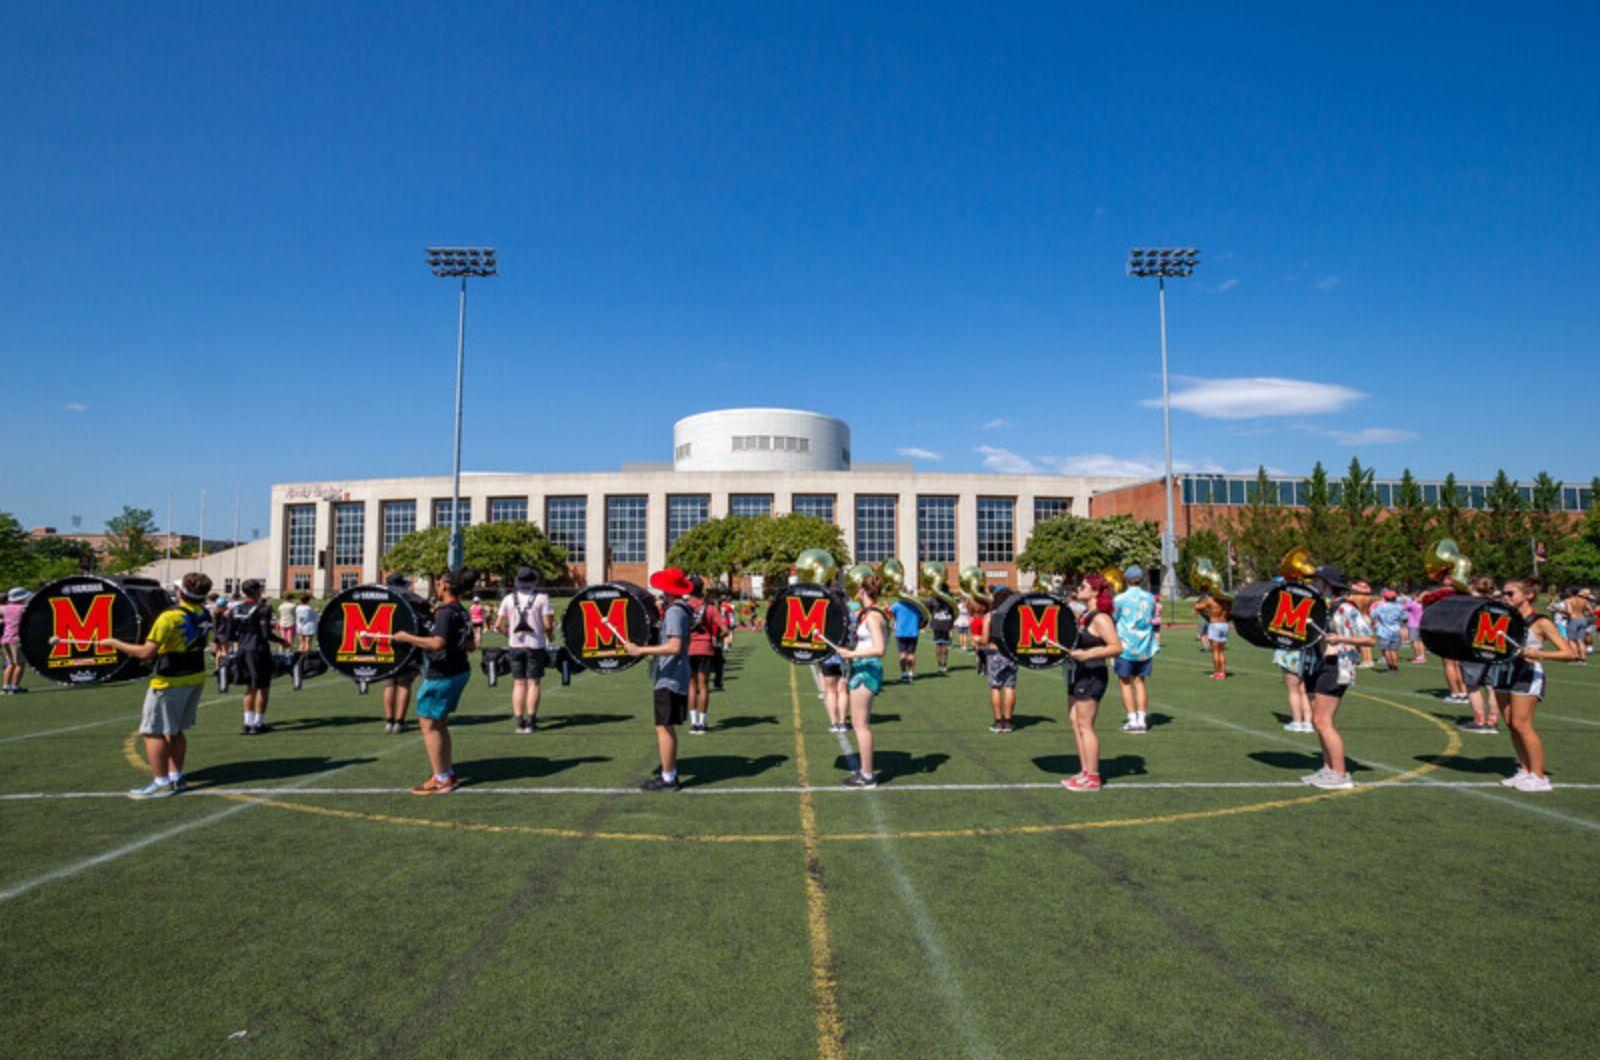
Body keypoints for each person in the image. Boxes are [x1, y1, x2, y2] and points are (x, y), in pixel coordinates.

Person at [100, 573, 214, 799]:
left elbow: (145, 652)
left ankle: (161, 781)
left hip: (170, 680)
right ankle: (175, 777)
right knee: (175, 730)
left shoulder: (169, 617)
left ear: (181, 593)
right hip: (194, 676)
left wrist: (115, 643)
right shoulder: (204, 613)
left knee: (152, 731)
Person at [390, 568, 477, 795]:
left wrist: (406, 637)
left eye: (438, 582)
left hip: (443, 673)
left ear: (446, 586)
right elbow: (471, 645)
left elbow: (437, 643)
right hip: (459, 670)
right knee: (438, 723)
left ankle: (441, 779)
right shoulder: (461, 610)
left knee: (429, 724)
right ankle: (446, 772)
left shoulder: (446, 612)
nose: (436, 586)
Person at [1495, 578, 1577, 792]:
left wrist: (1539, 653)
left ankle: (1539, 777)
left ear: (1528, 595)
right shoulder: (1505, 618)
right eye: (1504, 593)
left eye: (1510, 593)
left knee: (1522, 724)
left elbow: (1569, 653)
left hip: (1527, 673)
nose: (1505, 597)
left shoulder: (1540, 622)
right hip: (1503, 672)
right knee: (1511, 724)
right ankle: (1524, 770)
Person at [619, 567, 696, 791]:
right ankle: (668, 773)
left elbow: (674, 646)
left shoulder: (674, 612)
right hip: (675, 675)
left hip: (671, 676)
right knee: (665, 725)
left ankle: (668, 777)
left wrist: (640, 650)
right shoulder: (679, 609)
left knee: (663, 727)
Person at [1299, 566, 1375, 791]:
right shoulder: (1327, 606)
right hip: (1319, 664)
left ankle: (1341, 774)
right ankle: (1328, 769)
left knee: (1323, 722)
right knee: (1317, 722)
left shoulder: (1345, 608)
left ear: (1328, 583)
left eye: (1318, 581)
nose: (1314, 585)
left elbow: (1370, 639)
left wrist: (1340, 637)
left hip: (1335, 667)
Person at [1061, 574, 1123, 792]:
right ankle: (1085, 771)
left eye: (1084, 586)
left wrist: (1086, 655)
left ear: (1096, 591)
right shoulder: (1086, 614)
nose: (1080, 588)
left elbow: (1116, 647)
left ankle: (1093, 777)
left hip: (1092, 673)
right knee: (1075, 722)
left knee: (1085, 725)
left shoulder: (1101, 619)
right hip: (1078, 672)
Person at [832, 573, 888, 788]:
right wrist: (848, 651)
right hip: (862, 667)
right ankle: (865, 772)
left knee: (860, 724)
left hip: (867, 670)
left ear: (862, 591)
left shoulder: (874, 616)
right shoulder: (869, 614)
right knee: (857, 723)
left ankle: (867, 775)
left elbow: (880, 649)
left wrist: (852, 655)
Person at [494, 566, 553, 733]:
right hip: (535, 645)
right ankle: (531, 722)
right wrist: (550, 636)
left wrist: (509, 635)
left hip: (515, 645)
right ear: (534, 581)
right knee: (533, 683)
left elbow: (498, 625)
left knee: (518, 683)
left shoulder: (508, 598)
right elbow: (548, 624)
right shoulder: (542, 598)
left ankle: (519, 722)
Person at [231, 579, 288, 734]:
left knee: (249, 687)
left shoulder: (235, 609)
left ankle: (246, 723)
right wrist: (282, 641)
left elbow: (230, 634)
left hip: (242, 650)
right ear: (257, 591)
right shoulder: (263, 609)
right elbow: (265, 634)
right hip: (258, 650)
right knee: (263, 687)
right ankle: (258, 723)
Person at [1112, 565, 1158, 734]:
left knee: (1125, 683)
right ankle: (1142, 718)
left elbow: (1114, 618)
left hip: (1125, 646)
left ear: (1126, 579)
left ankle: (1132, 720)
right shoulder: (1150, 598)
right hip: (1145, 646)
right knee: (1140, 683)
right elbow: (1152, 616)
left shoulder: (1119, 599)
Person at [382, 573, 429, 734]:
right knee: (404, 683)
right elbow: (424, 617)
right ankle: (400, 721)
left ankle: (389, 721)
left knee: (389, 683)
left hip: (384, 644)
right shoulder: (410, 597)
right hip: (407, 644)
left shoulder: (380, 596)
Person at [1455, 577, 1503, 734]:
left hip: (1474, 648)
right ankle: (1493, 722)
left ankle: (1479, 721)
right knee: (1491, 687)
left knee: (1473, 686)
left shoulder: (1469, 606)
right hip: (1495, 648)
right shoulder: (1499, 605)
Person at [685, 576, 724, 734]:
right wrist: (715, 639)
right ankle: (703, 722)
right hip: (706, 648)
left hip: (688, 649)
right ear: (702, 588)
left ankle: (693, 722)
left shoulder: (684, 606)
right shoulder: (709, 607)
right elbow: (725, 629)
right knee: (704, 686)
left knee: (691, 686)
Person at [974, 588, 1017, 733]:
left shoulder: (990, 615)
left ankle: (999, 722)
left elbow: (985, 639)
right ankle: (1009, 722)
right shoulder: (1016, 615)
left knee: (995, 687)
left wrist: (977, 640)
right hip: (1011, 653)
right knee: (1010, 687)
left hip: (994, 653)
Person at [1274, 645, 1312, 732]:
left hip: (1291, 654)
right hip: (1308, 655)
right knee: (1304, 691)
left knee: (1293, 690)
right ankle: (1307, 723)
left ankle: (1297, 722)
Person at [1194, 591, 1231, 679]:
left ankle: (1217, 673)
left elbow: (1198, 607)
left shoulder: (1211, 600)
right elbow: (1230, 612)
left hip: (1215, 625)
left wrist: (1198, 602)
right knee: (1221, 651)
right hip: (1224, 625)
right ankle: (1223, 673)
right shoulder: (1227, 601)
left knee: (1215, 651)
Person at [1370, 589, 1406, 672]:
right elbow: (1403, 618)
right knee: (1393, 650)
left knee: (1386, 650)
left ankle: (1390, 667)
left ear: (1385, 598)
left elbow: (1372, 614)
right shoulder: (1399, 607)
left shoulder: (1382, 606)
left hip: (1384, 631)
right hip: (1396, 630)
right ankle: (1395, 667)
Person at [890, 596, 923, 682]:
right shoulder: (916, 606)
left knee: (902, 654)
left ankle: (904, 674)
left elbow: (889, 614)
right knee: (911, 654)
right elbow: (922, 617)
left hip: (900, 633)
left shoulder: (897, 605)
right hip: (913, 632)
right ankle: (910, 673)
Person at [2, 587, 28, 694]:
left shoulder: (4, 608)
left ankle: (6, 686)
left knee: (10, 663)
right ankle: (15, 687)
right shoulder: (22, 608)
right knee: (20, 664)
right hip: (16, 639)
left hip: (5, 638)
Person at [1563, 587, 1592, 665]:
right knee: (1581, 640)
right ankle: (1583, 659)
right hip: (1582, 619)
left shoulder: (1568, 600)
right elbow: (1590, 610)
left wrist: (1562, 611)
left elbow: (1569, 611)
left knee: (1572, 640)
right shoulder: (1584, 600)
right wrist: (1585, 614)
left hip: (1573, 620)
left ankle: (1576, 658)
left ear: (1571, 592)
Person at [928, 599, 955, 675]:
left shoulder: (948, 603)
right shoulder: (935, 602)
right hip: (940, 626)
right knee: (940, 646)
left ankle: (943, 665)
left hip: (944, 626)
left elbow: (953, 613)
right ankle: (941, 665)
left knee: (943, 646)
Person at [1401, 591, 1426, 663]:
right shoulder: (1423, 604)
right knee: (1421, 641)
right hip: (1421, 624)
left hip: (1413, 625)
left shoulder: (1412, 604)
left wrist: (1404, 603)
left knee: (1414, 641)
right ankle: (1422, 656)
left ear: (1415, 595)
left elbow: (1402, 608)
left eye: (1412, 595)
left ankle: (1418, 656)